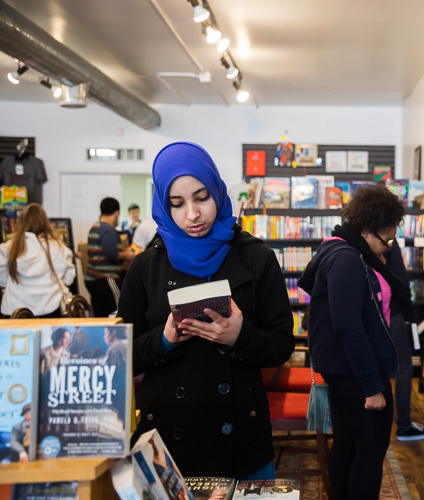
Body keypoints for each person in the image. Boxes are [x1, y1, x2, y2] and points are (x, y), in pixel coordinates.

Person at [117, 142, 295, 479]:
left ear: (217, 191)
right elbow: (121, 353)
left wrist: (240, 337)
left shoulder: (256, 257)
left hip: (241, 437)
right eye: (177, 203)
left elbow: (282, 344)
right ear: (162, 204)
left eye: (202, 198)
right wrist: (165, 339)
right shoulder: (146, 266)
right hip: (168, 439)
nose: (192, 215)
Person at [298, 183, 405, 500]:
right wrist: (372, 387)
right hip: (354, 369)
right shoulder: (346, 258)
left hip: (347, 367)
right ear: (366, 230)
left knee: (348, 441)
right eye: (386, 240)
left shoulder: (343, 250)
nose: (388, 247)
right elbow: (349, 326)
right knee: (371, 450)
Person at [385, 239, 424, 441]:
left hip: (366, 314)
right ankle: (403, 425)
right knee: (404, 367)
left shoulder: (353, 238)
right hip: (392, 311)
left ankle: (373, 421)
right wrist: (409, 315)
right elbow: (400, 280)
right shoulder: (387, 240)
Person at [0, 203, 75, 318]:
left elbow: (2, 279)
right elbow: (69, 279)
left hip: (15, 309)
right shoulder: (57, 247)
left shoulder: (9, 247)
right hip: (51, 306)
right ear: (46, 222)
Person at [84, 197, 135, 317]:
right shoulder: (108, 230)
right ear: (117, 213)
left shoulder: (95, 227)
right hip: (106, 278)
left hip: (91, 279)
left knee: (100, 314)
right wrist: (127, 254)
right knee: (117, 312)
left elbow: (100, 250)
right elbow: (111, 254)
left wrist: (121, 250)